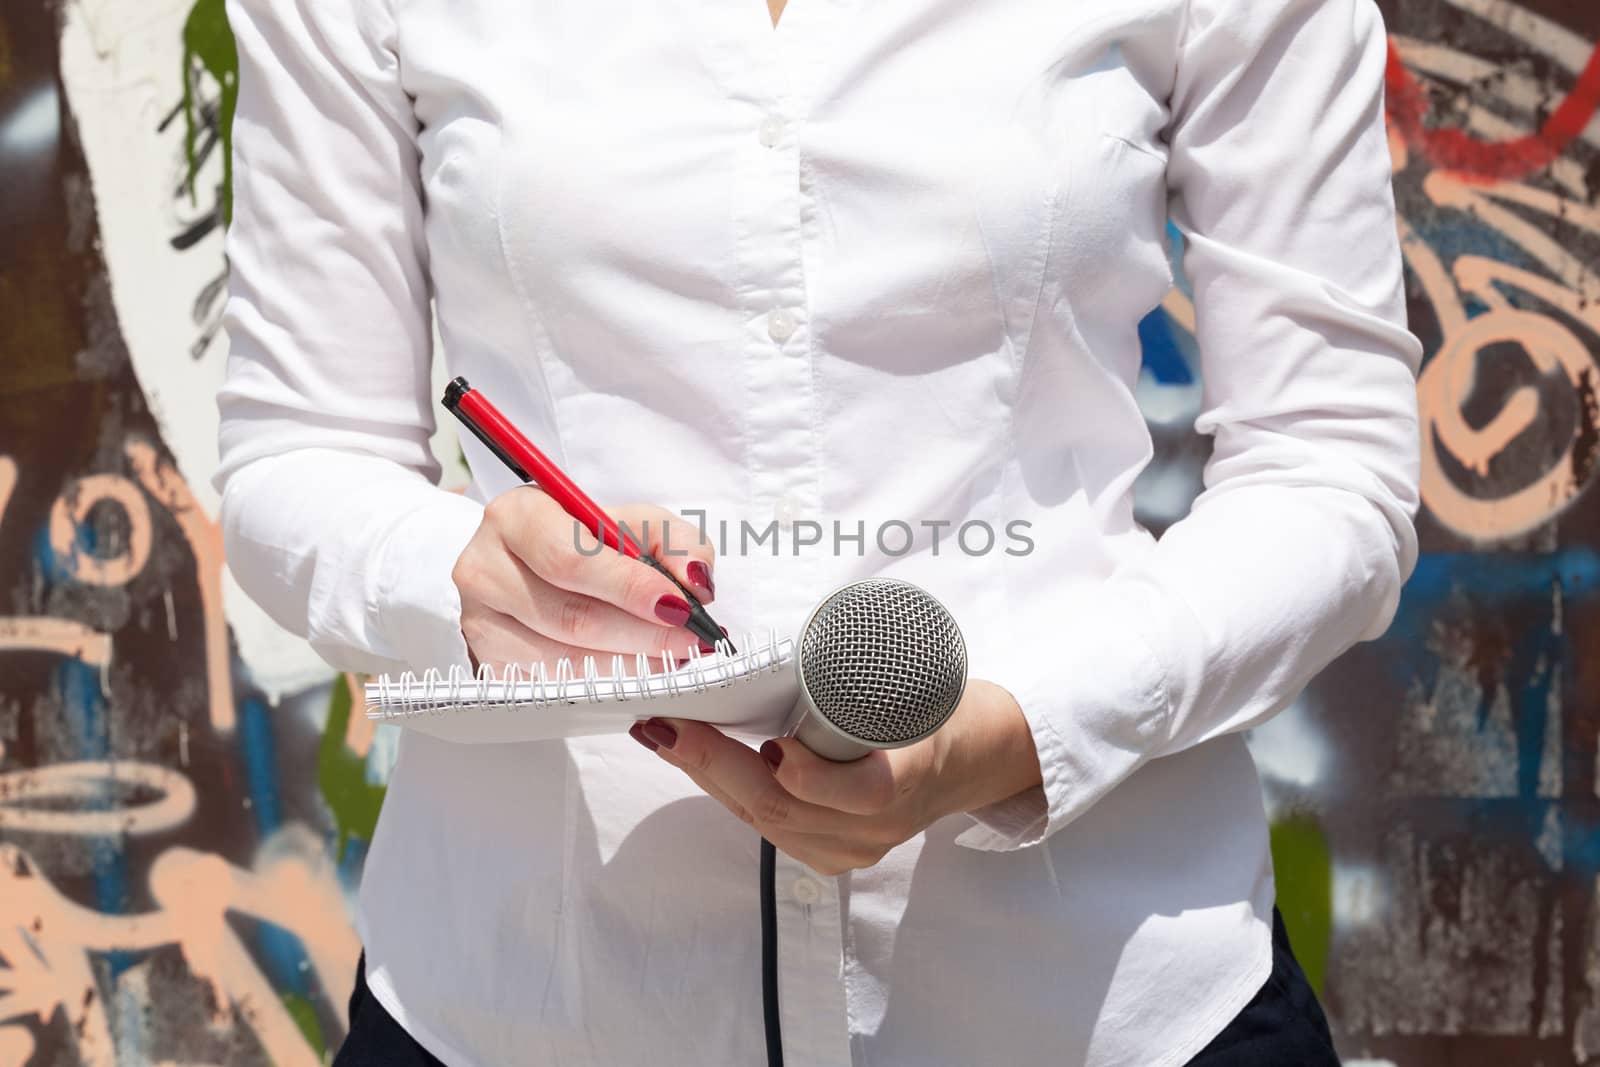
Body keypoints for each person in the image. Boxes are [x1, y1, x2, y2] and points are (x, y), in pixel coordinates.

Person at [214, 0, 1421, 1062]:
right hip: (526, 1002)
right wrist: (468, 580)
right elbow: (296, 454)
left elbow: (1327, 469)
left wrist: (1027, 725)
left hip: (1096, 1001)